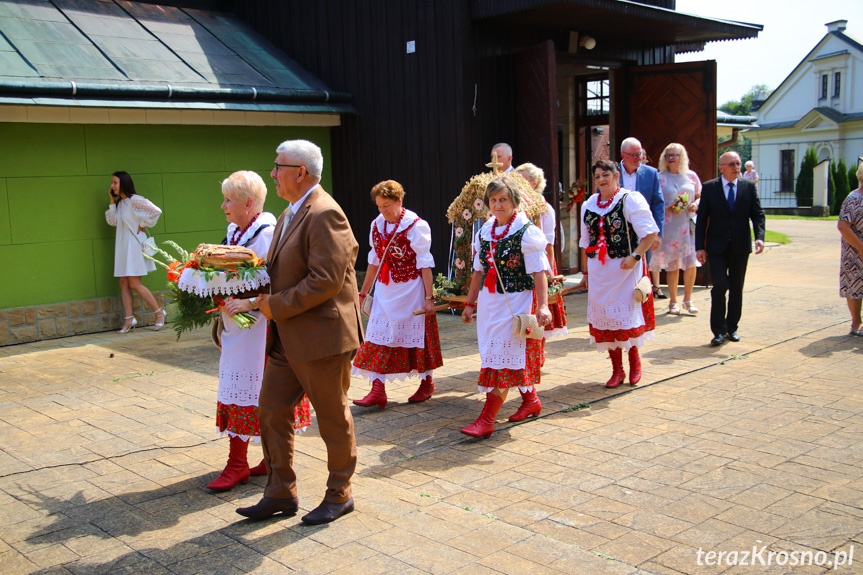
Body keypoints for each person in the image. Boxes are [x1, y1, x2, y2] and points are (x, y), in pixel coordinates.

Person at [236, 140, 363, 525]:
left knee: (331, 417)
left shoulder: (325, 213)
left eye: (278, 166)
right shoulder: (291, 211)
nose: (272, 173)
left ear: (300, 172)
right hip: (289, 338)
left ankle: (340, 493)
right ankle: (280, 492)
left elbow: (324, 281)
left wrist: (272, 306)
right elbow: (283, 271)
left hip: (322, 338)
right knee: (272, 410)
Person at [206, 171, 312, 491]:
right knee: (241, 386)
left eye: (229, 200)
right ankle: (263, 459)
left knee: (258, 391)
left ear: (248, 204)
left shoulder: (265, 235)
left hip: (261, 327)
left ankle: (238, 463)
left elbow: (284, 281)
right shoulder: (235, 233)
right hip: (238, 326)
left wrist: (250, 303)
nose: (223, 205)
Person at [460, 176, 552, 438]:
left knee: (503, 358)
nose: (497, 205)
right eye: (493, 200)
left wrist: (543, 306)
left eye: (503, 200)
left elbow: (539, 274)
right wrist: (469, 304)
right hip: (490, 305)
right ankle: (531, 401)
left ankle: (487, 419)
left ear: (514, 202)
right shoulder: (485, 231)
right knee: (496, 354)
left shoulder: (527, 232)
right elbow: (478, 273)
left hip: (517, 302)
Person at [352, 180, 443, 407]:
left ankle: (427, 383)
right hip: (385, 289)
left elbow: (425, 264)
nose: (383, 211)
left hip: (411, 290)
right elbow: (374, 260)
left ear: (400, 201)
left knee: (417, 337)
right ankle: (377, 389)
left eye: (387, 205)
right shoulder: (377, 224)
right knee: (376, 335)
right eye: (379, 206)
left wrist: (429, 298)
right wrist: (363, 292)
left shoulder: (416, 225)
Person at [580, 160, 659, 388]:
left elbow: (650, 232)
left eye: (606, 175)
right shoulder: (589, 204)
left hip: (625, 269)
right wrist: (586, 272)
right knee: (606, 318)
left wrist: (635, 256)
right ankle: (617, 370)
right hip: (599, 272)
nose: (602, 180)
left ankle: (634, 362)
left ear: (617, 176)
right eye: (597, 176)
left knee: (625, 317)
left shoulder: (630, 199)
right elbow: (586, 243)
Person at [695, 151, 766, 347]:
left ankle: (731, 328)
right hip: (716, 247)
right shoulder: (710, 188)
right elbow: (701, 220)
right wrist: (700, 247)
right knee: (720, 285)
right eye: (732, 164)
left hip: (740, 246)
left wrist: (759, 237)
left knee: (736, 288)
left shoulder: (748, 187)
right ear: (721, 167)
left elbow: (758, 214)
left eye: (738, 163)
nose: (737, 167)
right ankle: (717, 330)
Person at [516, 163, 568, 368]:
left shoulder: (544, 208)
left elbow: (548, 243)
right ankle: (525, 351)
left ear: (533, 182)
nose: (516, 184)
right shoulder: (515, 206)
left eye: (521, 179)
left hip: (539, 264)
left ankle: (538, 351)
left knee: (539, 307)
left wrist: (549, 270)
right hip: (518, 266)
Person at [104, 171, 165, 334]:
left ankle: (159, 313)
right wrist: (111, 201)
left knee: (134, 284)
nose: (112, 186)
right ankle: (129, 319)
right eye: (112, 183)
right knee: (123, 282)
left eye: (115, 183)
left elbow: (156, 211)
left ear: (123, 183)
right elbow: (112, 222)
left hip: (133, 245)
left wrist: (143, 224)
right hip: (123, 246)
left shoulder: (134, 200)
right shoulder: (120, 203)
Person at [650, 144, 703, 315]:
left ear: (682, 157)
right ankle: (673, 301)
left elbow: (700, 196)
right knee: (672, 263)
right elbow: (654, 202)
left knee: (690, 263)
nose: (671, 158)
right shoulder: (659, 177)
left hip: (687, 224)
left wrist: (695, 204)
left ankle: (688, 299)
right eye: (668, 155)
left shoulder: (691, 176)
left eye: (675, 155)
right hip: (669, 225)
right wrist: (669, 208)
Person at [619, 137, 665, 298]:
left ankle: (642, 307)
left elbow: (658, 203)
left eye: (640, 154)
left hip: (643, 233)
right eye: (634, 155)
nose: (639, 158)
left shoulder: (651, 173)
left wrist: (658, 233)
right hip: (618, 230)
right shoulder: (611, 172)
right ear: (623, 155)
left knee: (641, 269)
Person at [838, 163, 863, 336]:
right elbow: (843, 226)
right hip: (855, 252)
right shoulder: (853, 198)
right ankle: (856, 323)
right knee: (855, 288)